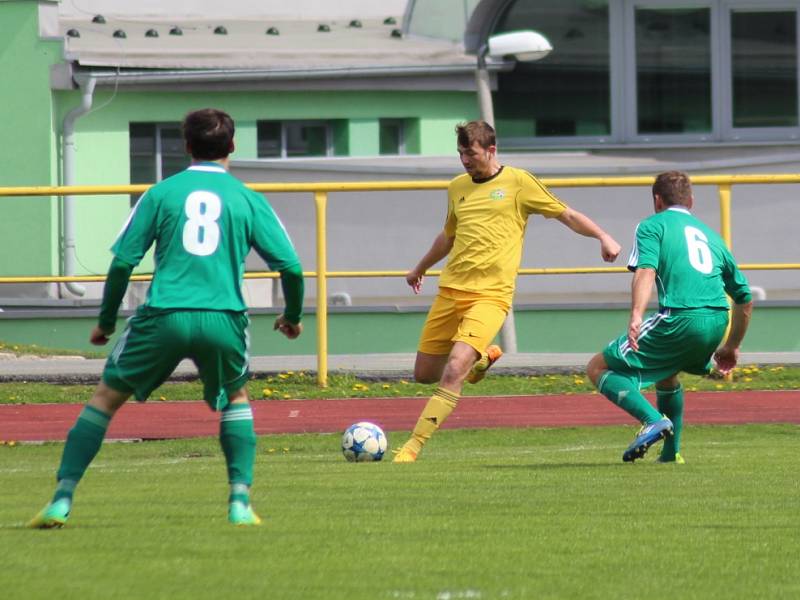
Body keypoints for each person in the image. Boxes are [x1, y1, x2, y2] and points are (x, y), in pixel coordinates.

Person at [29, 108, 304, 528]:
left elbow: (123, 264)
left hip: (164, 315)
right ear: (232, 146)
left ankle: (62, 498)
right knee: (235, 398)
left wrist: (105, 322)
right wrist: (292, 316)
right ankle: (239, 503)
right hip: (222, 318)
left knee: (105, 399)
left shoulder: (160, 193)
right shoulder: (248, 198)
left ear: (187, 147)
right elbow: (292, 268)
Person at [393, 120, 622, 463]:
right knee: (424, 374)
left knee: (456, 368)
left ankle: (412, 447)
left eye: (470, 153)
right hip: (450, 291)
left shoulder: (518, 182)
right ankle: (483, 359)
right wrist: (420, 267)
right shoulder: (457, 187)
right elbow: (448, 236)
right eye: (460, 154)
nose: (465, 161)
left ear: (491, 150)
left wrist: (603, 236)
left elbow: (567, 214)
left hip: (490, 296)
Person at [586, 170, 753, 463]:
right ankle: (670, 454)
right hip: (717, 321)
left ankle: (653, 420)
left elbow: (646, 271)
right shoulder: (711, 236)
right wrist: (731, 346)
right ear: (691, 200)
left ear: (657, 200)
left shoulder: (652, 226)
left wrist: (636, 316)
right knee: (667, 374)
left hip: (681, 318)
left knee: (598, 367)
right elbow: (744, 298)